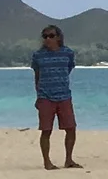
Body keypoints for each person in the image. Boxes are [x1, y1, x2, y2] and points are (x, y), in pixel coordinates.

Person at [30, 23, 80, 171]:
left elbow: (68, 69)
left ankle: (69, 160)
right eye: (45, 36)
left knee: (71, 128)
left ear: (58, 37)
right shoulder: (38, 55)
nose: (48, 39)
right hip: (45, 97)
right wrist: (39, 96)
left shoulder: (67, 53)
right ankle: (47, 162)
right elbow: (37, 77)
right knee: (46, 130)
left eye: (51, 36)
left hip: (64, 96)